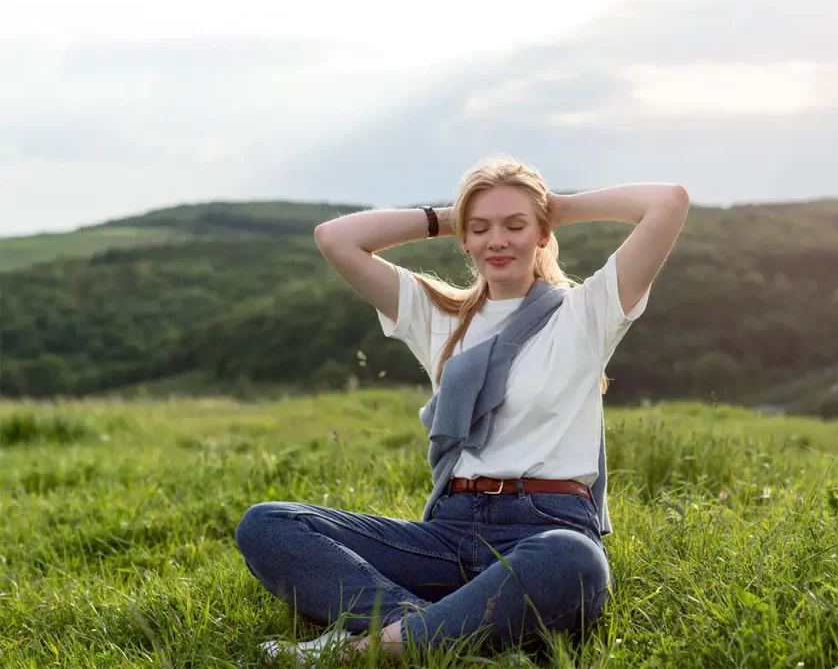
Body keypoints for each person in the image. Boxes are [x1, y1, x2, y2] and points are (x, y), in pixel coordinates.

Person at [234, 154, 690, 663]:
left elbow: (668, 202)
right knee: (268, 525)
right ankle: (439, 636)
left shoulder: (586, 312)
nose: (498, 240)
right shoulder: (438, 316)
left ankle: (361, 649)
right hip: (449, 532)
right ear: (465, 240)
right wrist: (450, 217)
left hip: (545, 527)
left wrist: (555, 207)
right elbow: (335, 238)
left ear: (542, 235)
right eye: (481, 229)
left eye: (516, 226)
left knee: (575, 560)